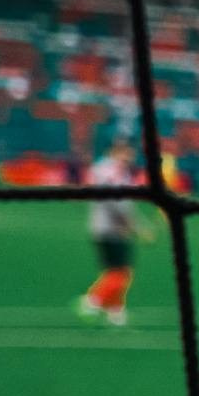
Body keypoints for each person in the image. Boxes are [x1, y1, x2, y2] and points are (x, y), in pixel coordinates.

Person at [74, 138, 149, 327]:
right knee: (121, 273)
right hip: (112, 229)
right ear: (116, 152)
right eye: (127, 154)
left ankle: (115, 312)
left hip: (101, 227)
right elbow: (118, 204)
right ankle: (91, 301)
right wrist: (136, 228)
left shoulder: (102, 169)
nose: (130, 158)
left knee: (113, 270)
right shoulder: (112, 172)